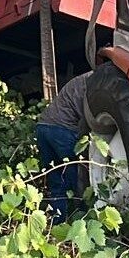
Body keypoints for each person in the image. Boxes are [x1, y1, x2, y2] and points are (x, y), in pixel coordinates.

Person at [35, 70, 92, 224]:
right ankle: (82, 221)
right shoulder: (96, 81)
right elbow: (91, 120)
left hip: (43, 127)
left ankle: (57, 223)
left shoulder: (81, 79)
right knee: (78, 177)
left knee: (56, 179)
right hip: (62, 130)